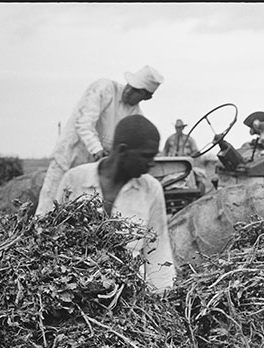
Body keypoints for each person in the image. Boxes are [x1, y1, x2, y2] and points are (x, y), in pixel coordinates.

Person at [50, 114, 176, 294]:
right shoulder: (75, 180)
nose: (151, 164)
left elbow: (158, 249)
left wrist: (162, 297)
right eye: (146, 156)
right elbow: (52, 239)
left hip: (129, 294)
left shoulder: (151, 189)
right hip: (76, 291)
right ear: (123, 151)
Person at [35, 65, 164, 215]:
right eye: (130, 86)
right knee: (47, 210)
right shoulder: (104, 88)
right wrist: (97, 149)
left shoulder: (136, 116)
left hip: (91, 174)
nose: (129, 92)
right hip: (68, 158)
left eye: (137, 91)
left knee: (81, 218)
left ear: (146, 97)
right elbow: (84, 122)